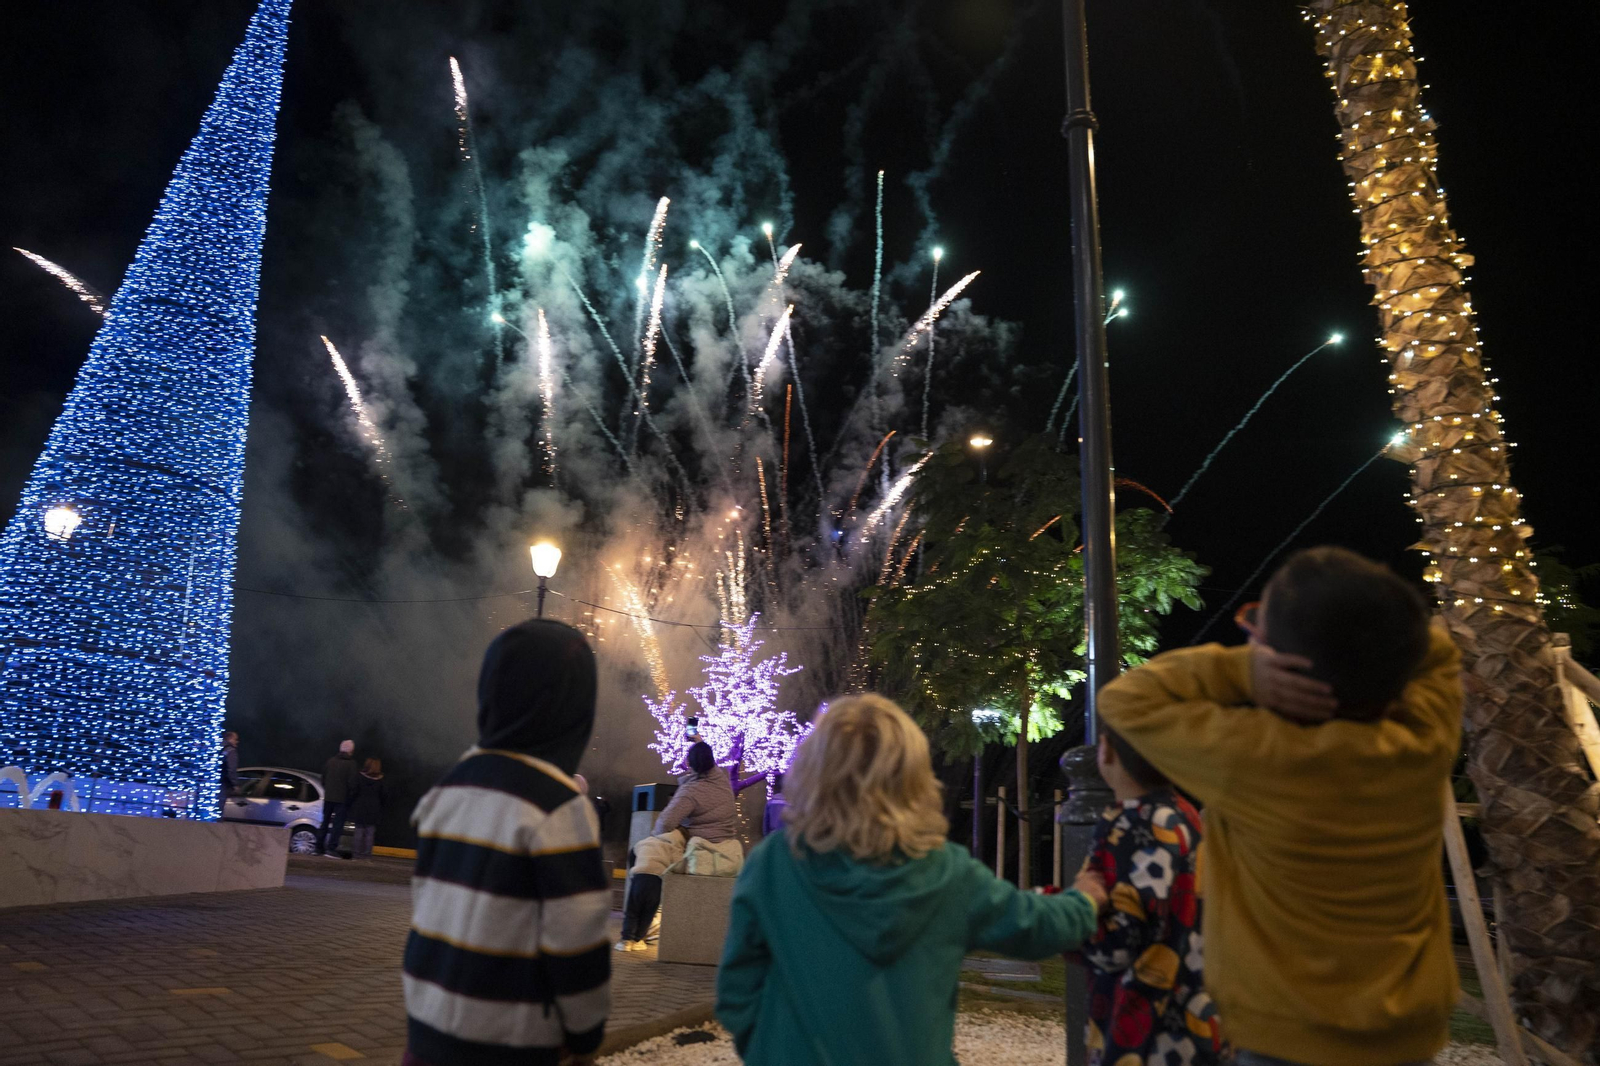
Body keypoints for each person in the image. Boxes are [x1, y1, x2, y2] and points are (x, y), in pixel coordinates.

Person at [1097, 546, 1458, 1065]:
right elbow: (1439, 650)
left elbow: (1124, 699)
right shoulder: (1424, 738)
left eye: (1254, 628)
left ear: (1286, 665)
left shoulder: (1259, 758)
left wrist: (1245, 672)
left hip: (1285, 1039)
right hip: (1409, 1039)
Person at [714, 694, 1107, 1065]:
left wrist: (769, 1048)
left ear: (810, 772)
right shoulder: (946, 873)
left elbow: (736, 990)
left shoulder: (773, 863)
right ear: (915, 779)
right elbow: (1032, 925)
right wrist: (1085, 900)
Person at [402, 619, 610, 1066]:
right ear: (575, 713)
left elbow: (427, 907)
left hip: (428, 1026)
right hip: (509, 1041)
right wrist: (587, 1036)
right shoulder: (559, 809)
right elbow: (577, 941)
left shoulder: (448, 789)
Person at [1079, 727, 1221, 1065]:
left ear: (1108, 752)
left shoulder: (1130, 823)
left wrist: (1073, 913)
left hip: (1142, 1026)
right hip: (1192, 1014)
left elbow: (1117, 944)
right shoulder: (1184, 813)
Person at [616, 739, 741, 951]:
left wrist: (658, 837)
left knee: (644, 853)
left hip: (697, 845)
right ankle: (639, 935)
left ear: (691, 766)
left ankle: (631, 936)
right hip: (726, 843)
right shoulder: (721, 778)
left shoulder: (692, 791)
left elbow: (665, 823)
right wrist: (698, 740)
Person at [317, 739, 359, 857]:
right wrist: (350, 797)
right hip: (342, 800)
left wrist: (329, 790)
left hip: (329, 797)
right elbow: (353, 784)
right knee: (337, 825)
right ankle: (331, 848)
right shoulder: (352, 764)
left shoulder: (330, 761)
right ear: (351, 751)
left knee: (324, 822)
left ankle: (318, 848)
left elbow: (323, 779)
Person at [349, 757, 386, 860]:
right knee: (370, 833)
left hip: (360, 807)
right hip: (374, 808)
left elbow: (353, 792)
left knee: (358, 832)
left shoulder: (359, 777)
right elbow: (383, 795)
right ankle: (367, 856)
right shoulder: (380, 780)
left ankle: (356, 855)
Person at [219, 730, 239, 813]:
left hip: (216, 782)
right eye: (236, 739)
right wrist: (235, 784)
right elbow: (231, 770)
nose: (237, 742)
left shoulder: (220, 750)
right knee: (220, 808)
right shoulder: (231, 751)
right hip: (224, 783)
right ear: (230, 739)